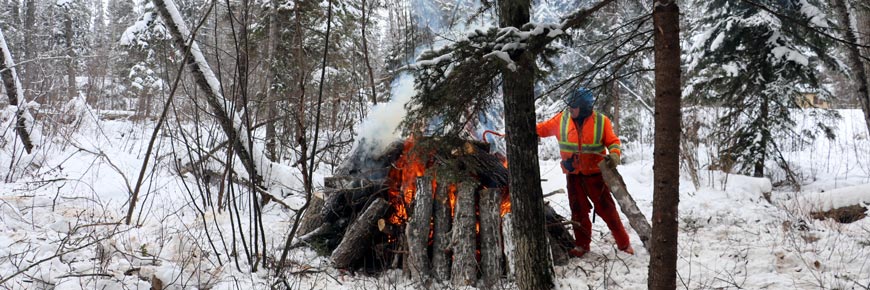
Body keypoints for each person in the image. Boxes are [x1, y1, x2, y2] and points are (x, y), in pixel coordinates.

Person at [536, 87, 634, 258]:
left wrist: (614, 155)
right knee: (578, 211)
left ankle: (624, 244)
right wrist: (522, 126)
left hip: (596, 176)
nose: (570, 110)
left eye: (573, 107)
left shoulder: (601, 122)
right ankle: (582, 246)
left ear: (584, 108)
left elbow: (613, 141)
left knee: (607, 210)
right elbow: (543, 129)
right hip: (573, 176)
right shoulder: (562, 119)